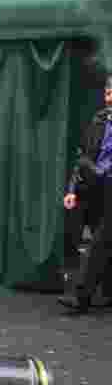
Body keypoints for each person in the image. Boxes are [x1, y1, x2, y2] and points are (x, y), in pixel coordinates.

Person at [61, 80, 112, 314]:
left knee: (100, 241)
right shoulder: (98, 120)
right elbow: (82, 156)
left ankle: (81, 296)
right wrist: (72, 189)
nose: (109, 94)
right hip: (95, 189)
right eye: (108, 90)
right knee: (99, 240)